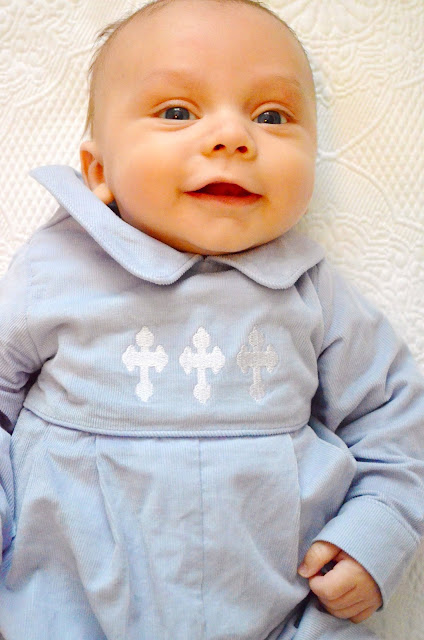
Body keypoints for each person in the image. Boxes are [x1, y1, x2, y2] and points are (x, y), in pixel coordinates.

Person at [0, 0, 423, 638]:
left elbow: (392, 417)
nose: (233, 137)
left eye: (271, 115)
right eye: (177, 111)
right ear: (99, 172)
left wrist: (378, 529)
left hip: (285, 609)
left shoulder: (309, 290)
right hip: (69, 607)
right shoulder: (53, 274)